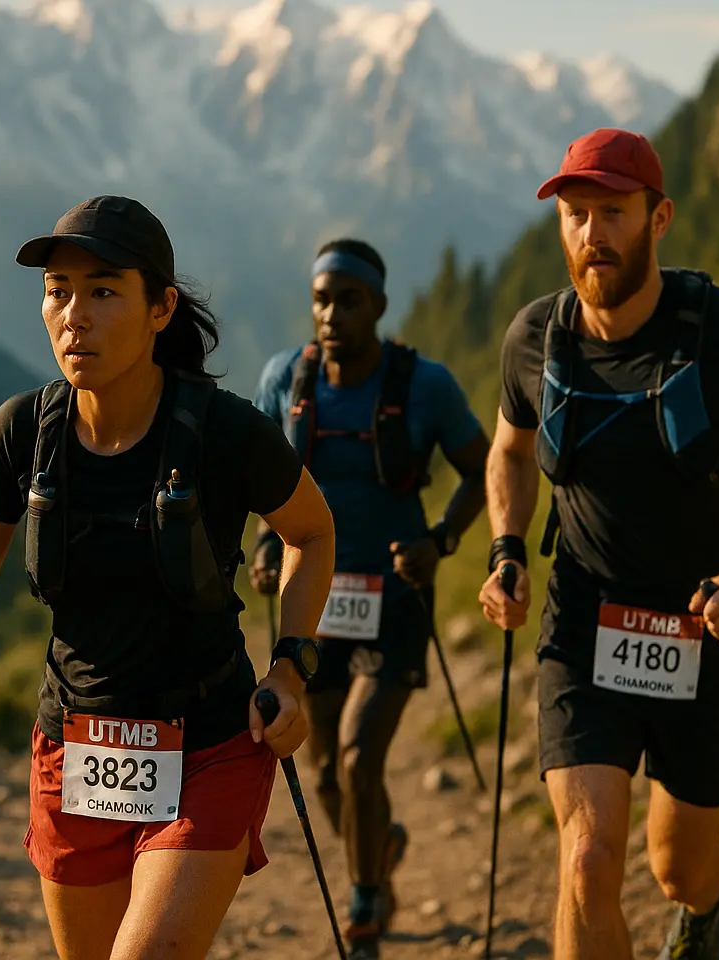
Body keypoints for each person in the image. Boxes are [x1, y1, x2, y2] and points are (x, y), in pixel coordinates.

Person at [0, 194, 336, 960]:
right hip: (76, 750)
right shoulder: (23, 431)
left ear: (160, 308)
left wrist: (293, 663)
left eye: (104, 290)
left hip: (211, 746)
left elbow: (311, 532)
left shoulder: (224, 432)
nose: (73, 313)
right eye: (58, 291)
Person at [478, 128, 719, 960]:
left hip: (707, 629)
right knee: (587, 857)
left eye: (612, 211)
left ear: (659, 216)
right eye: (574, 214)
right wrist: (505, 550)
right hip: (582, 626)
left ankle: (706, 911)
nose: (591, 233)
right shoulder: (535, 337)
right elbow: (508, 447)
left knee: (680, 866)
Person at [249, 238, 491, 958]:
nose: (332, 313)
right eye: (322, 299)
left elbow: (483, 471)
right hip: (313, 603)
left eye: (348, 300)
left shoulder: (427, 386)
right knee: (324, 771)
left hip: (394, 600)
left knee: (358, 759)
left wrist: (440, 540)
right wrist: (267, 546)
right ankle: (379, 848)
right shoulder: (284, 380)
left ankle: (363, 907)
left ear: (379, 306)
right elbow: (260, 480)